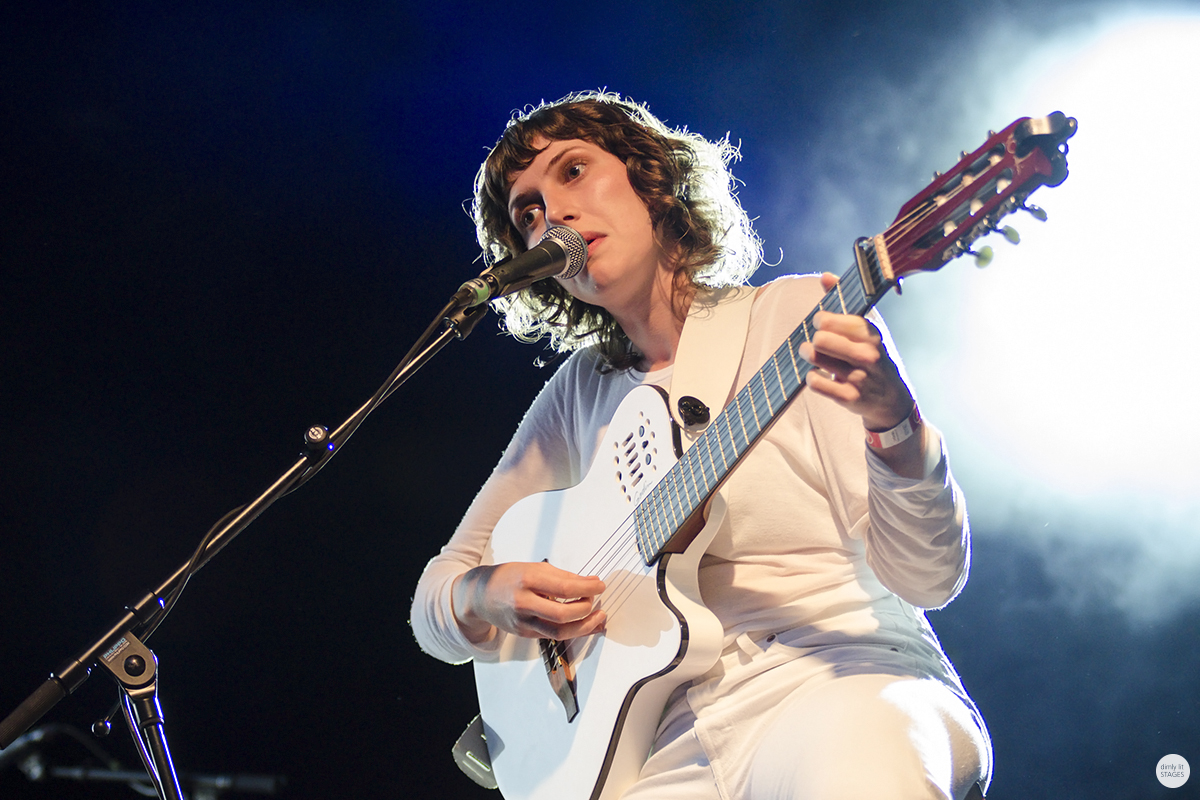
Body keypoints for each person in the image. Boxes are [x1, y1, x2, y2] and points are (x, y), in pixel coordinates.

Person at [410, 91, 992, 799]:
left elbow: (930, 579)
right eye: (526, 212)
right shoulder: (578, 393)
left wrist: (895, 426)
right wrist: (484, 591)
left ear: (653, 180)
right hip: (668, 744)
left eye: (573, 171)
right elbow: (434, 603)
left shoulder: (793, 317)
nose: (551, 214)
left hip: (837, 674)